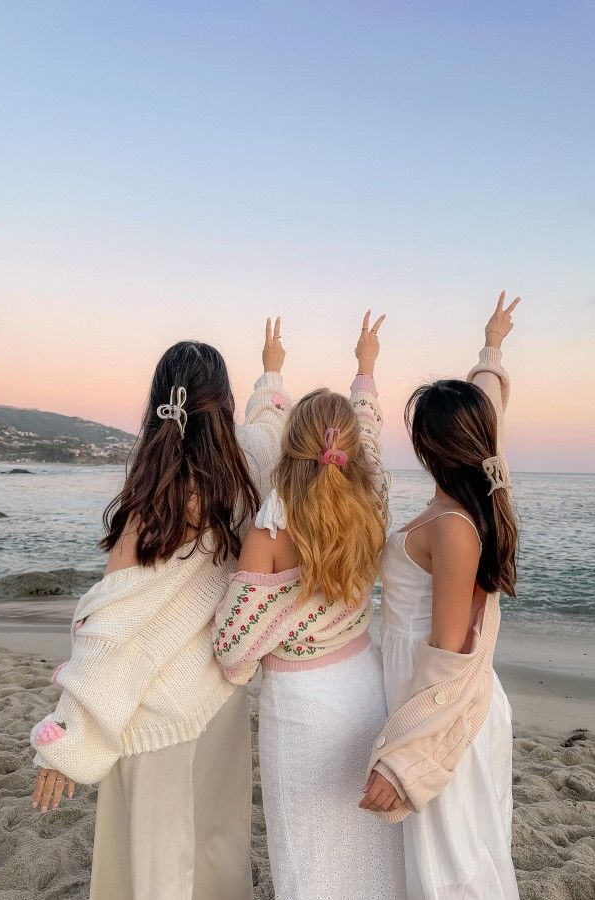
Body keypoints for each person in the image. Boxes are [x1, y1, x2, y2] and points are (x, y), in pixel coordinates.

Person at [29, 319, 290, 900]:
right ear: (222, 407)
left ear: (157, 406)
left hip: (152, 714)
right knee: (215, 840)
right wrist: (272, 368)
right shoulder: (247, 472)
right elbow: (271, 427)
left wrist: (67, 738)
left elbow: (109, 632)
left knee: (154, 861)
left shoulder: (152, 505)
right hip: (217, 698)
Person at [213, 312, 406, 900]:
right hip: (365, 685)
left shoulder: (269, 532)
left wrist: (272, 373)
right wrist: (365, 367)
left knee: (308, 855)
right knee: (371, 852)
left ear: (289, 451)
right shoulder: (370, 501)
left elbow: (234, 652)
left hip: (302, 711)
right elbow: (366, 427)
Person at [361, 292, 521, 900]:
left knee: (453, 867)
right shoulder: (458, 505)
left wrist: (407, 757)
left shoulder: (453, 527)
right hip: (428, 693)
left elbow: (449, 655)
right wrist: (492, 347)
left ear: (430, 446)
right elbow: (491, 407)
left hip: (443, 709)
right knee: (452, 852)